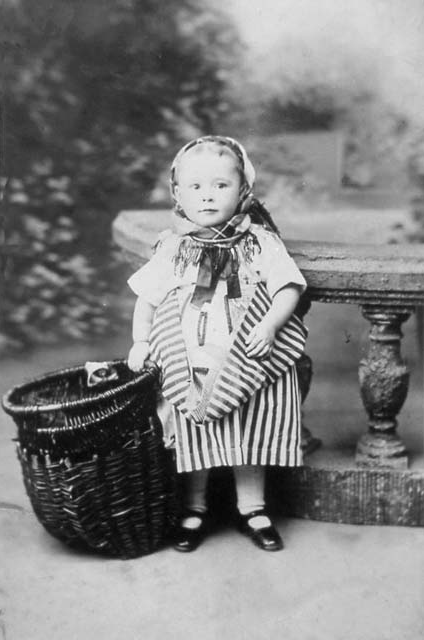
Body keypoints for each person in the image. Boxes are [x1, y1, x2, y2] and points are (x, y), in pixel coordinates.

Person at [127, 135, 307, 552]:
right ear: (178, 194)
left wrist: (270, 325)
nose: (207, 196)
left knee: (250, 427)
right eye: (196, 187)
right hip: (191, 361)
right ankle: (194, 507)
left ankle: (253, 507)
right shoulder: (174, 248)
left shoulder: (259, 242)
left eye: (220, 186)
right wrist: (140, 340)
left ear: (243, 190)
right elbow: (148, 299)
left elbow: (287, 288)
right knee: (194, 427)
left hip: (248, 357)